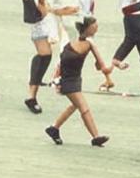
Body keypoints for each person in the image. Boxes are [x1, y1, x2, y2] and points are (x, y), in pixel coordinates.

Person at [44, 16, 113, 147]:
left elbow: (98, 65)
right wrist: (115, 65)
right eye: (94, 26)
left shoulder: (73, 43)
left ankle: (54, 128)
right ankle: (95, 137)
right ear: (87, 28)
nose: (96, 28)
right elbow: (102, 66)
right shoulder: (89, 43)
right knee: (84, 108)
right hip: (69, 81)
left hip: (72, 79)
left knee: (75, 105)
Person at [25, 0, 75, 114]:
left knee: (45, 55)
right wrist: (58, 11)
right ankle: (31, 94)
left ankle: (34, 84)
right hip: (40, 22)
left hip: (49, 21)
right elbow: (42, 6)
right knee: (45, 54)